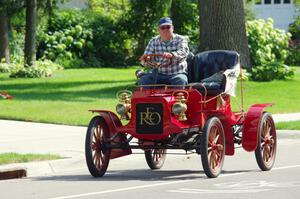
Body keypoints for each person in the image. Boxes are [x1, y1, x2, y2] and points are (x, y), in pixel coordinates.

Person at [139, 17, 190, 86]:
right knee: (144, 79)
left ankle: (178, 97)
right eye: (163, 28)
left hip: (177, 73)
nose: (165, 30)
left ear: (172, 28)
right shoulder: (153, 41)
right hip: (158, 74)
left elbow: (184, 52)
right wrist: (146, 59)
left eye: (168, 27)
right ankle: (147, 97)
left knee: (181, 80)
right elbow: (146, 57)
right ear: (158, 30)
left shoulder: (181, 39)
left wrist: (172, 54)